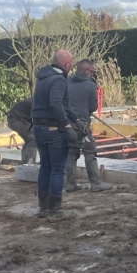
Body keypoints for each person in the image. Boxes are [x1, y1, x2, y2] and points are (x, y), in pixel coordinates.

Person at [31, 50, 90, 219]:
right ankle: (55, 210)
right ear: (66, 64)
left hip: (38, 128)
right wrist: (67, 125)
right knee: (57, 169)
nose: (71, 67)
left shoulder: (44, 78)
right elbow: (56, 103)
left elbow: (64, 104)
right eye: (71, 64)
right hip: (52, 130)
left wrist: (75, 119)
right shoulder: (59, 80)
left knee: (45, 166)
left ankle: (43, 208)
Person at [65, 59, 112, 192]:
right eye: (92, 71)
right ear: (86, 71)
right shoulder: (90, 85)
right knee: (90, 152)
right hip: (83, 125)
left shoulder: (66, 82)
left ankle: (70, 184)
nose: (92, 74)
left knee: (71, 153)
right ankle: (96, 184)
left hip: (68, 124)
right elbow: (93, 106)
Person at [6, 97, 37, 164]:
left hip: (19, 118)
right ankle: (29, 163)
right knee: (33, 139)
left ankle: (25, 162)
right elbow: (38, 120)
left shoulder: (39, 101)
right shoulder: (38, 103)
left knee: (29, 139)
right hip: (16, 119)